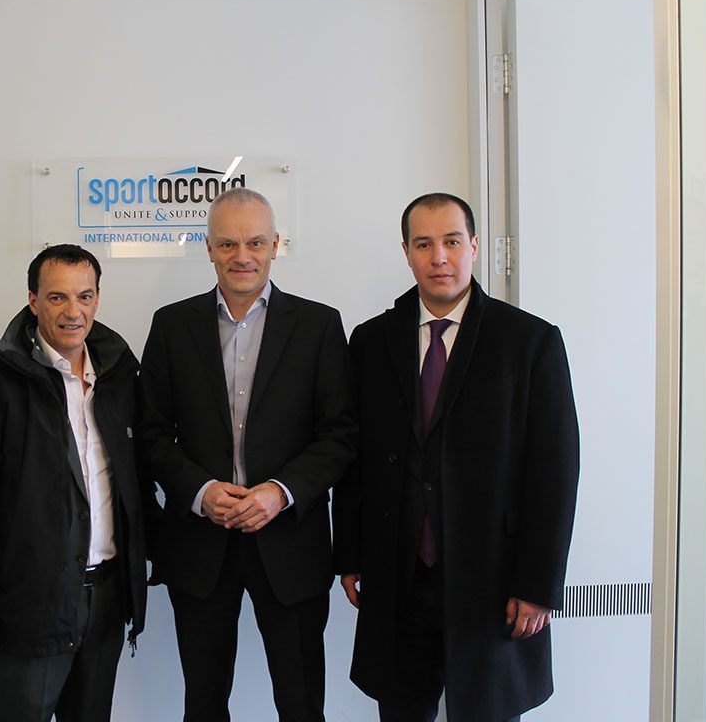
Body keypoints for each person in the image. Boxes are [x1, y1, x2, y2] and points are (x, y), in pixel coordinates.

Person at [333, 193, 580, 722]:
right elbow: (355, 458)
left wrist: (538, 585)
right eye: (424, 244)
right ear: (406, 252)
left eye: (451, 241)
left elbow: (555, 472)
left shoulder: (529, 341)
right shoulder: (371, 341)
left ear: (474, 246)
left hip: (494, 580)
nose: (439, 257)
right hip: (398, 579)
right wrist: (349, 554)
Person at [139, 187, 355, 722]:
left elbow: (340, 435)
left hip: (290, 544)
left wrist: (280, 493)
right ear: (208, 248)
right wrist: (199, 491)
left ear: (275, 245)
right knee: (203, 704)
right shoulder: (172, 325)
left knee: (301, 706)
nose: (242, 256)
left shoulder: (319, 326)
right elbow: (149, 433)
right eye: (228, 244)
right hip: (200, 546)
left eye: (255, 242)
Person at [0, 244, 150, 722]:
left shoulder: (120, 377)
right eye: (57, 297)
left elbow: (138, 480)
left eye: (84, 296)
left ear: (98, 299)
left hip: (107, 597)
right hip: (30, 601)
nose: (73, 311)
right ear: (33, 301)